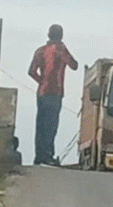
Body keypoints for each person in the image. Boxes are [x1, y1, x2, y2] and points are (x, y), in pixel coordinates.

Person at [27, 23, 78, 167]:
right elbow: (74, 65)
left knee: (41, 125)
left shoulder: (40, 51)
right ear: (61, 36)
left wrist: (41, 81)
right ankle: (48, 155)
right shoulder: (61, 50)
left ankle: (39, 156)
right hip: (55, 92)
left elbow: (31, 71)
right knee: (51, 125)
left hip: (41, 93)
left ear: (48, 35)